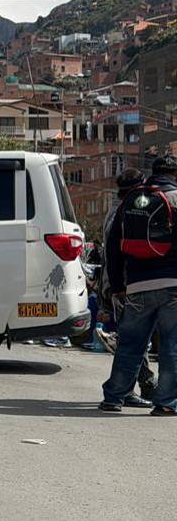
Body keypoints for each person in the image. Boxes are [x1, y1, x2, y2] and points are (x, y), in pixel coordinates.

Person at [101, 155, 177, 415]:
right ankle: (166, 402)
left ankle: (114, 397)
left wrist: (118, 284)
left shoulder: (130, 201)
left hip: (136, 285)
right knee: (171, 346)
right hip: (173, 286)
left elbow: (113, 247)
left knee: (130, 345)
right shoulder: (176, 198)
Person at [97, 168, 155, 407]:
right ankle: (133, 388)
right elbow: (114, 255)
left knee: (132, 338)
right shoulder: (123, 212)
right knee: (133, 340)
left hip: (118, 285)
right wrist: (118, 287)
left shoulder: (118, 209)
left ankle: (141, 385)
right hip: (122, 286)